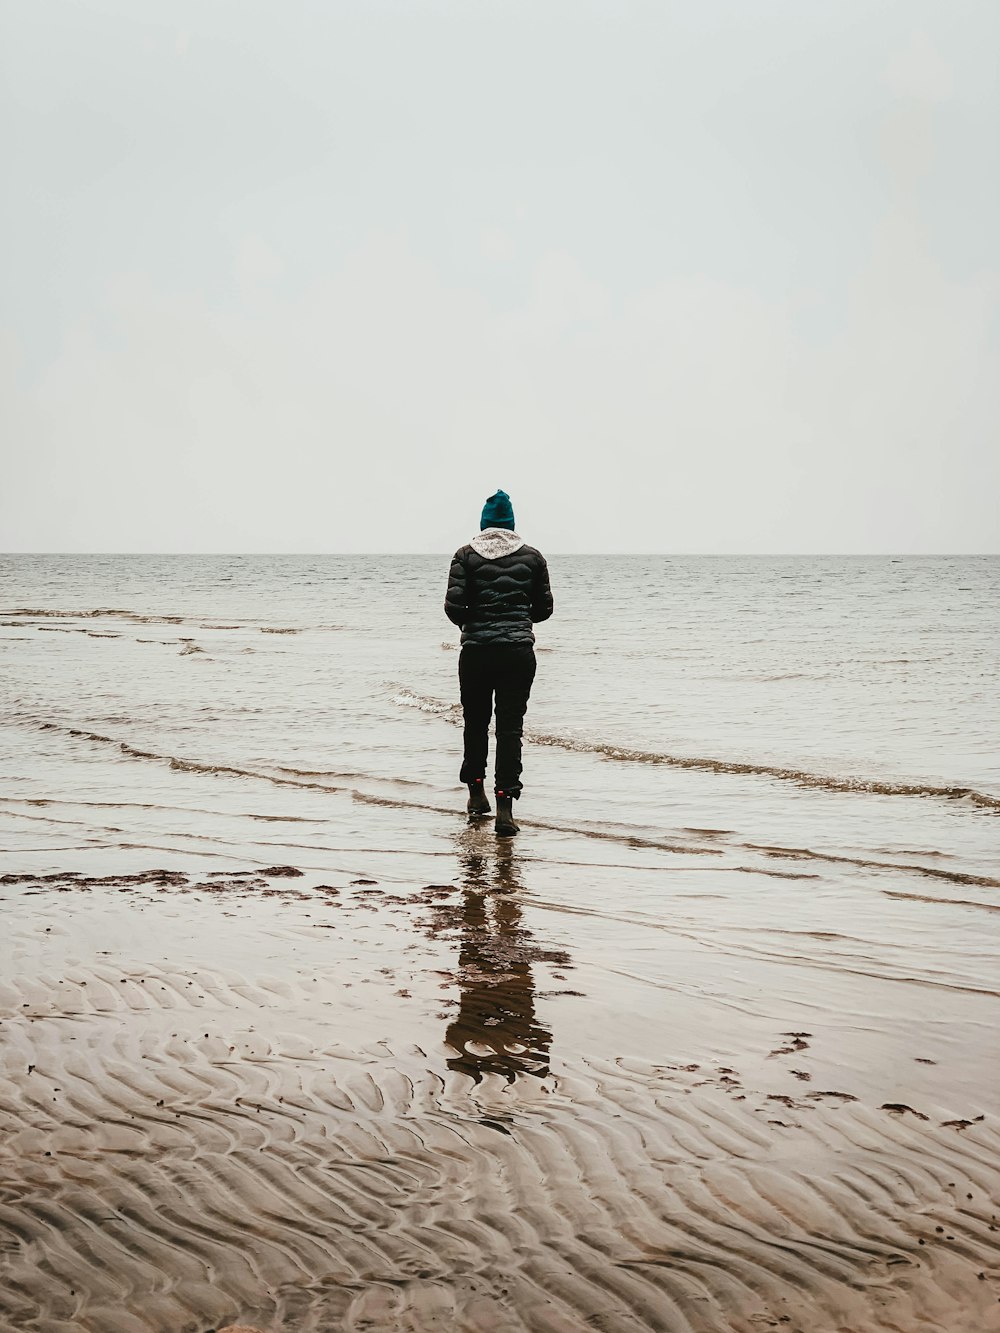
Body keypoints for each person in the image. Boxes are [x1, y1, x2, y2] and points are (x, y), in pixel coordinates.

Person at [445, 490, 553, 836]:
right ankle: (505, 809)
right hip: (517, 652)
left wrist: (471, 624)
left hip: (476, 652)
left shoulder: (465, 556)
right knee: (510, 729)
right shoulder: (533, 558)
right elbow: (545, 610)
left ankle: (476, 795)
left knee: (475, 724)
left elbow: (452, 606)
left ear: (483, 524)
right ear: (511, 524)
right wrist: (519, 620)